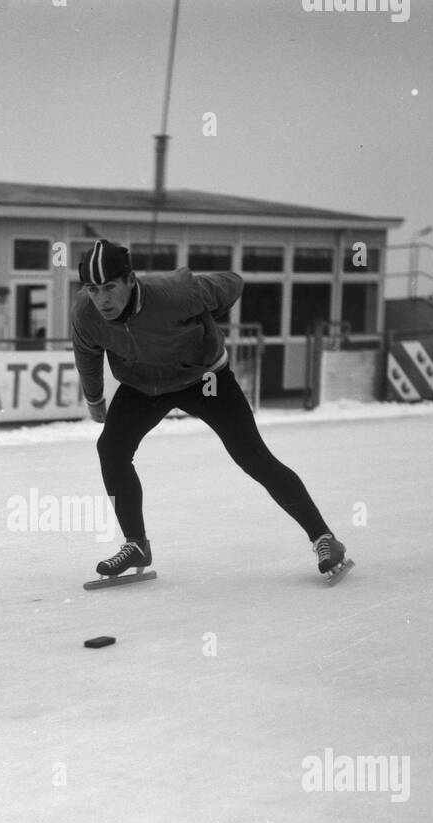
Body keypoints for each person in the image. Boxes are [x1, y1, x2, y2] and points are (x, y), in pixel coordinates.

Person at [70, 238, 351, 583]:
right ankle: (136, 544)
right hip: (144, 385)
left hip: (203, 379)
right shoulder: (85, 312)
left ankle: (324, 538)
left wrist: (203, 319)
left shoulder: (178, 292)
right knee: (111, 449)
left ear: (130, 280)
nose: (102, 299)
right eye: (93, 289)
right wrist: (95, 399)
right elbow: (87, 353)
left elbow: (233, 283)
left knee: (252, 456)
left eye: (110, 287)